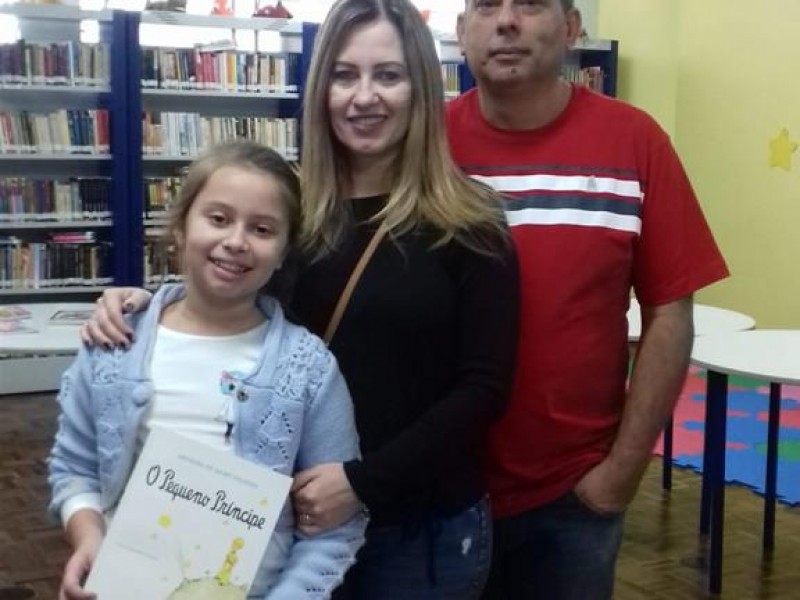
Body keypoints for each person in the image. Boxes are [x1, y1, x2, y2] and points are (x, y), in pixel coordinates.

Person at [78, 0, 521, 598]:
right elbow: (232, 300)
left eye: (388, 75)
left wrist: (362, 482)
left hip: (416, 534)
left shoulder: (470, 220)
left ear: (420, 87)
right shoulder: (291, 208)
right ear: (320, 90)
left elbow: (484, 388)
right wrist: (147, 305)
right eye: (344, 75)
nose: (364, 97)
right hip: (287, 526)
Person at [448, 0, 729, 598]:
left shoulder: (634, 141)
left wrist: (622, 472)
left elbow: (670, 311)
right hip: (436, 492)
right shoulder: (423, 148)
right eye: (486, 5)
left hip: (571, 498)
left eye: (529, 4)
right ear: (461, 30)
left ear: (573, 28)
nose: (506, 21)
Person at [48, 140, 367, 600]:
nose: (236, 241)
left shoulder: (308, 369)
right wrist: (87, 536)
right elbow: (75, 467)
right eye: (218, 219)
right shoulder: (115, 343)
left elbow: (336, 525)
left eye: (262, 229)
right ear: (180, 227)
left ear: (283, 252)